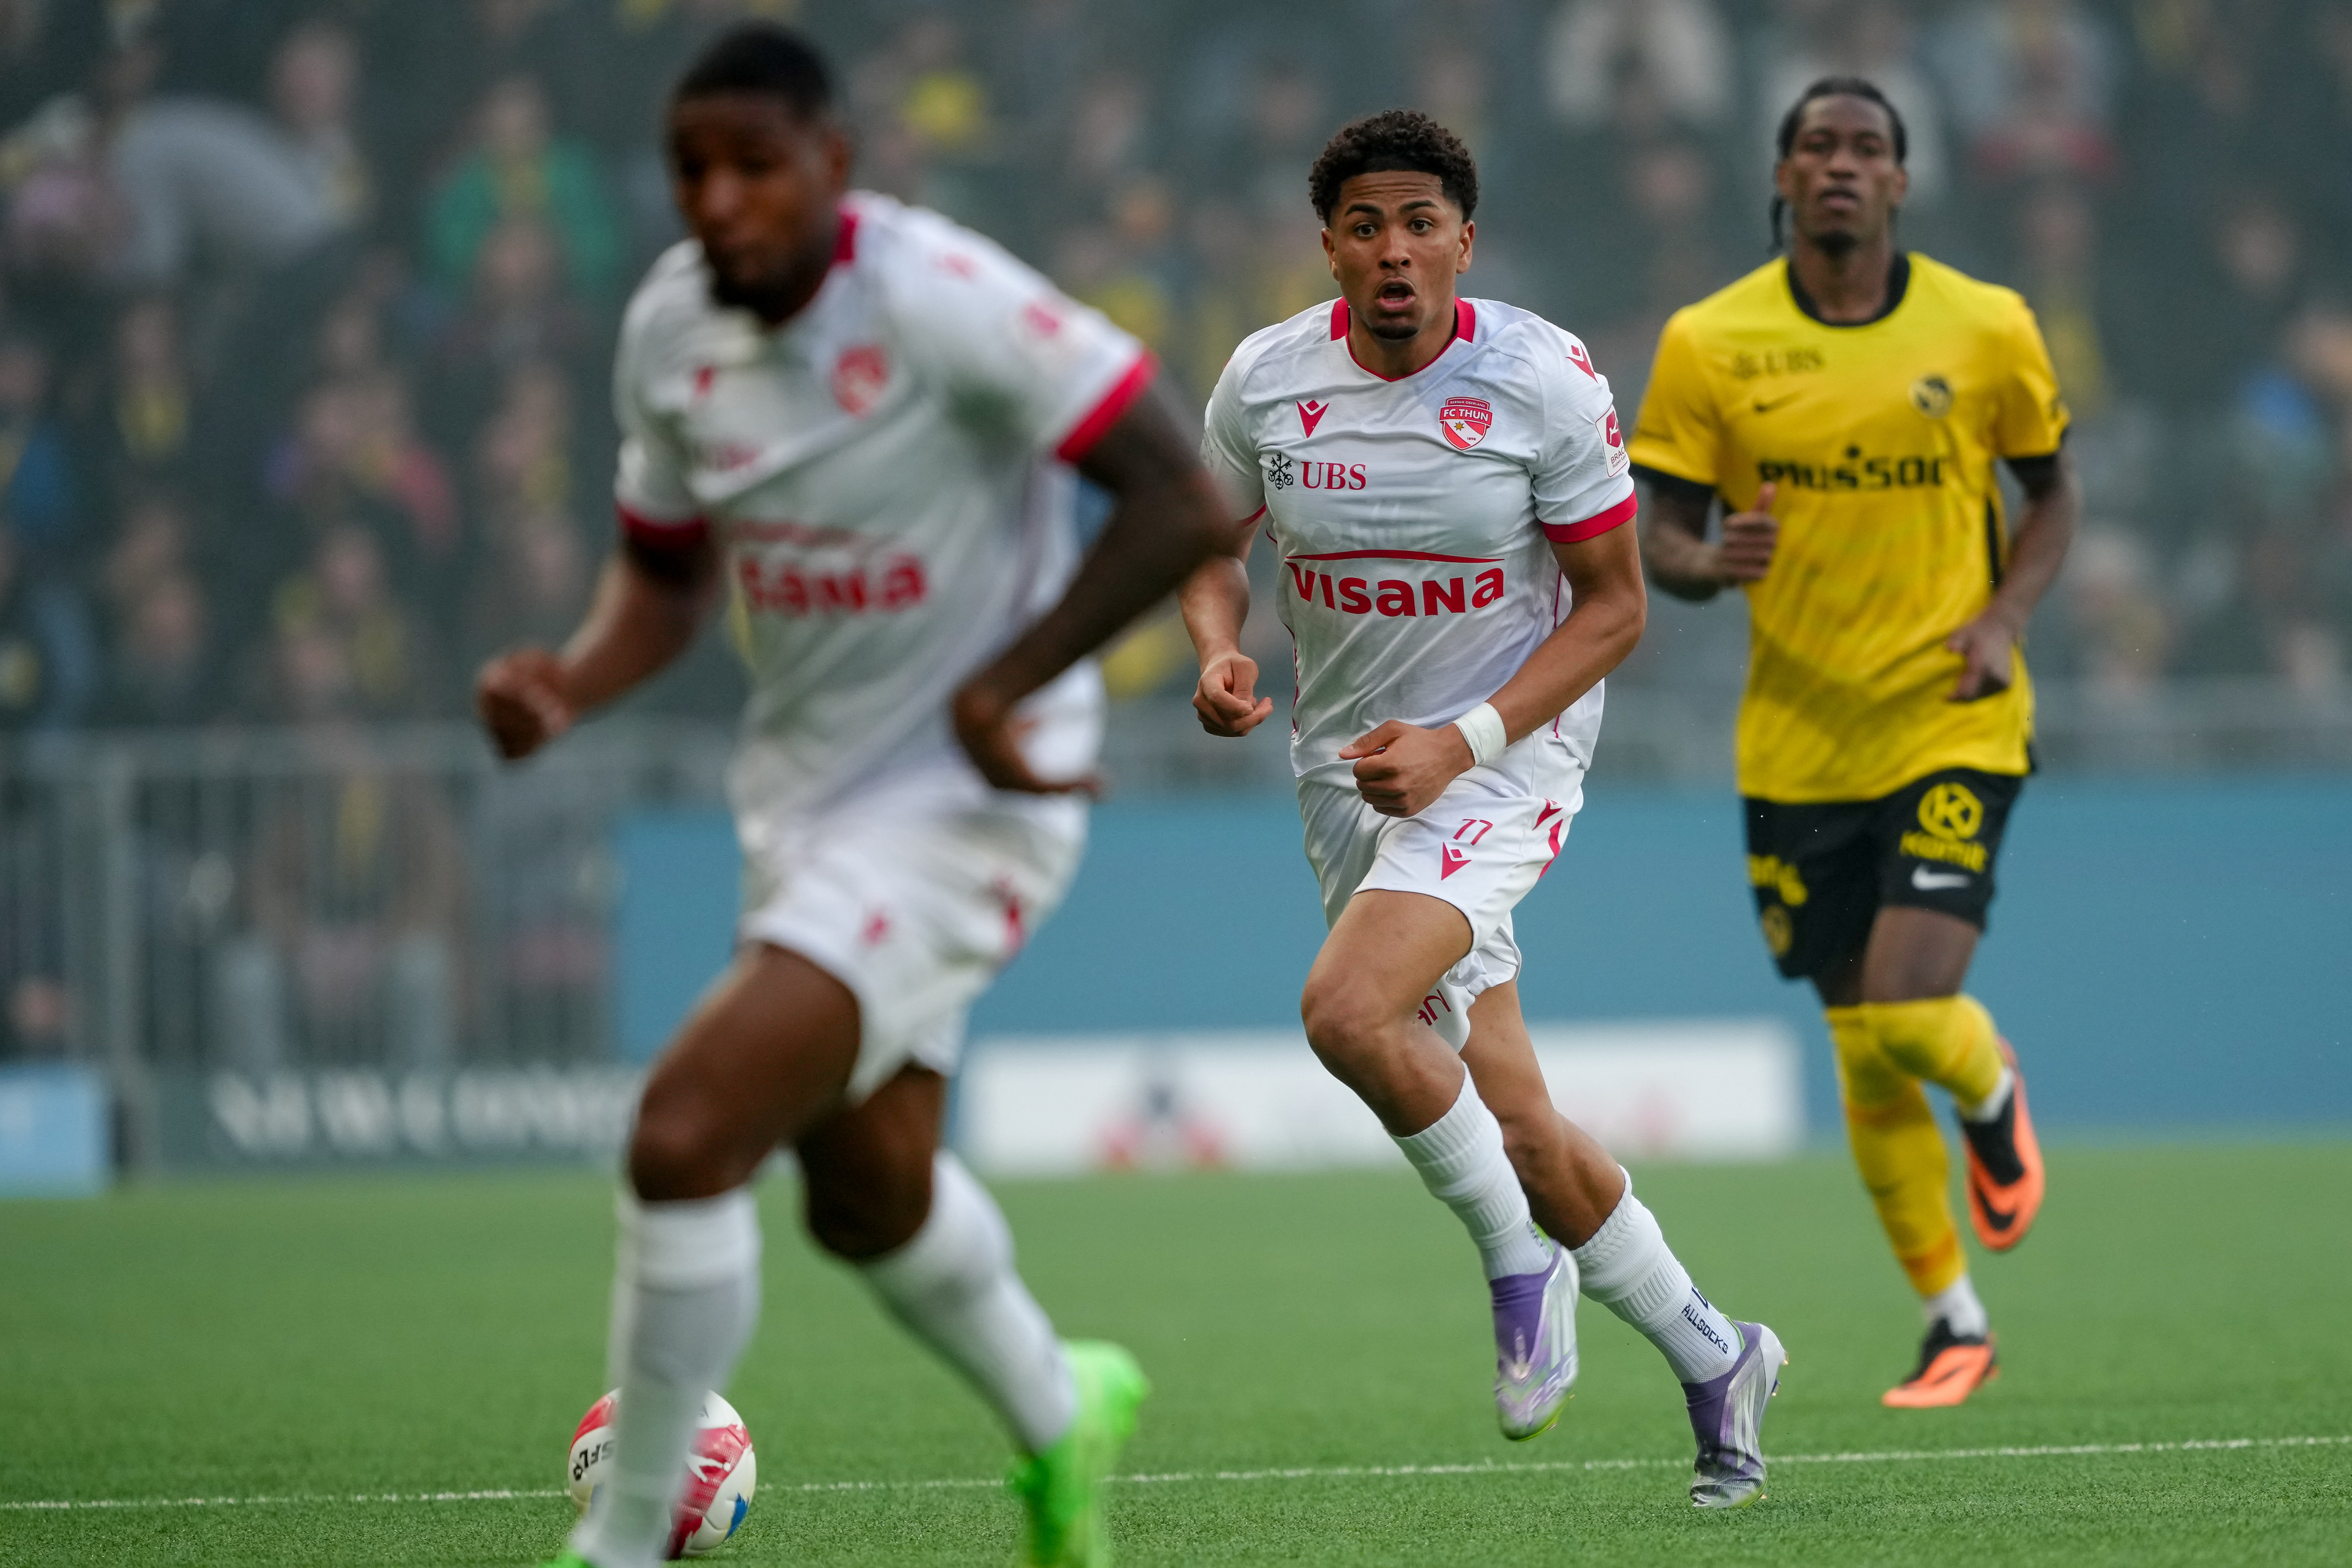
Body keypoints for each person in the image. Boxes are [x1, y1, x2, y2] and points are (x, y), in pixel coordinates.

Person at [474, 26, 1236, 1568]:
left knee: (685, 1134)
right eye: (693, 170)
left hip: (972, 794)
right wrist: (572, 681)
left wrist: (1002, 685)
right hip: (808, 799)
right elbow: (666, 580)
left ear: (835, 163)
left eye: (757, 166)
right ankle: (1063, 1410)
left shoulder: (943, 298)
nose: (722, 201)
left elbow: (1185, 500)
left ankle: (622, 1540)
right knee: (866, 1193)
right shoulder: (669, 331)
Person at [1181, 109, 1784, 1509]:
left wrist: (1466, 742)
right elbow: (1208, 548)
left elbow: (1616, 609)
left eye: (1420, 224)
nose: (1394, 251)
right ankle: (1718, 1356)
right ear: (1330, 246)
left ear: (1466, 239)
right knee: (1516, 1125)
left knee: (1349, 1013)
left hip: (1506, 757)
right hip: (1349, 769)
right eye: (1366, 227)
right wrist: (1217, 648)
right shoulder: (1265, 381)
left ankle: (1519, 1264)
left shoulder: (1541, 380)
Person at [1630, 77, 2073, 1408]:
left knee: (1910, 1010)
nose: (1840, 164)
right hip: (1795, 748)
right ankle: (1954, 1322)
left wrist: (2004, 616)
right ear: (1782, 176)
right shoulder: (1711, 343)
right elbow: (1659, 535)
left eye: (1865, 148)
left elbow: (2052, 496)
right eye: (1816, 145)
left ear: (1898, 182)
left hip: (1951, 712)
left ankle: (1989, 1088)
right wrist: (1711, 561)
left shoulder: (1986, 327)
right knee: (1863, 1049)